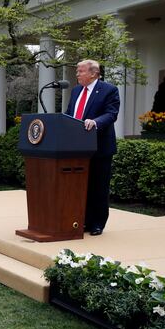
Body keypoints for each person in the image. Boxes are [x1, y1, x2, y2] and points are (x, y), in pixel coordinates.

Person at [64, 59, 120, 236]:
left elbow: (111, 114)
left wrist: (95, 122)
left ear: (94, 73)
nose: (77, 74)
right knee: (81, 186)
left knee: (98, 187)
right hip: (77, 147)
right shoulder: (76, 91)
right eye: (77, 71)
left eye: (81, 71)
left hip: (99, 147)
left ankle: (97, 223)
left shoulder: (109, 90)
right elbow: (70, 113)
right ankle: (84, 221)